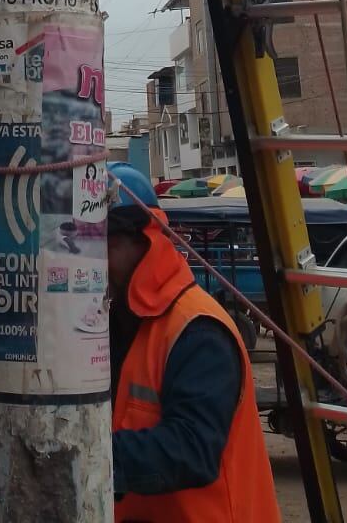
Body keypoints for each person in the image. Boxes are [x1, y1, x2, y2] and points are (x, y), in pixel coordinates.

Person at [106, 163, 281, 522]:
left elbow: (193, 448)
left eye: (104, 245)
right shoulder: (116, 324)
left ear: (144, 240)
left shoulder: (197, 330)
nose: (91, 263)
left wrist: (91, 455)